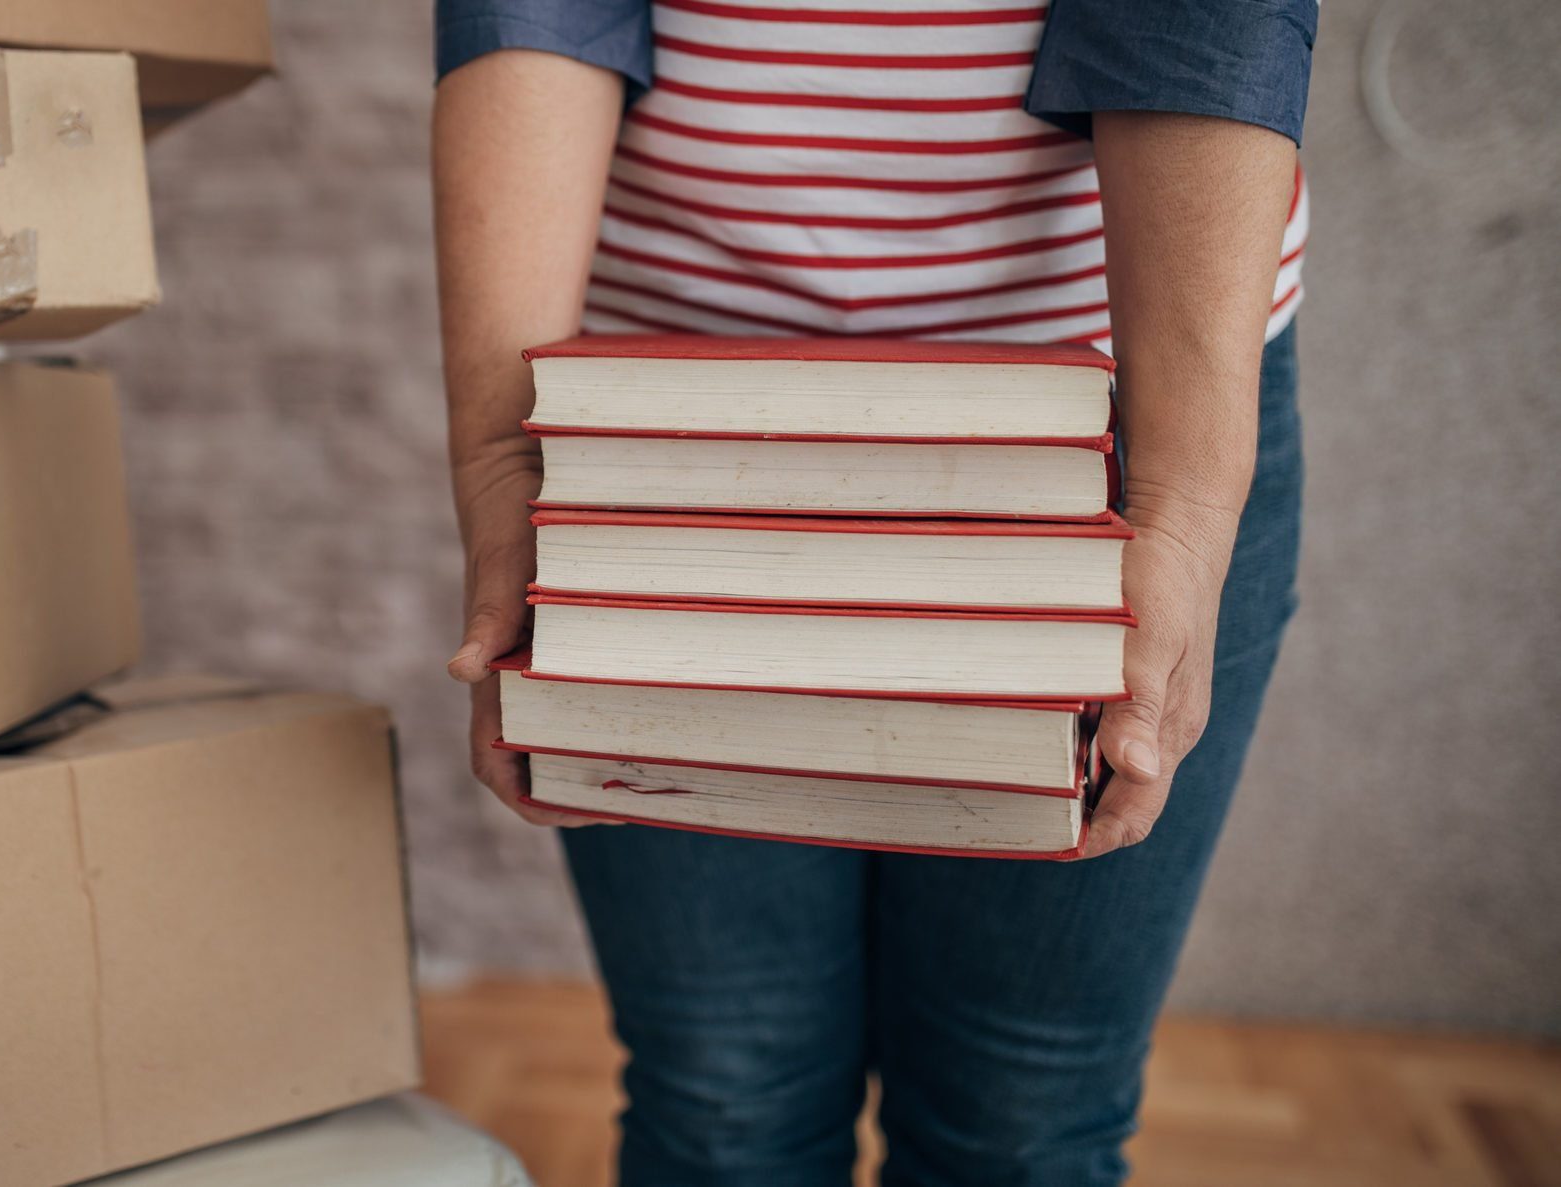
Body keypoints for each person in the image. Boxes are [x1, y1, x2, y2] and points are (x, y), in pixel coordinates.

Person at [431, 1, 1314, 1182]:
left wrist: (1183, 502)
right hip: (658, 433)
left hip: (1124, 416)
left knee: (1024, 1110)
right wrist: (505, 461)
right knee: (720, 1094)